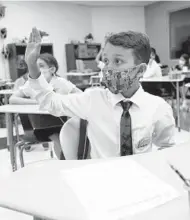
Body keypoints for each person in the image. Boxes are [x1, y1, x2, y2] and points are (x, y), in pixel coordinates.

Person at [26, 28, 175, 158]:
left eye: (117, 61)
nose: (108, 69)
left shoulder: (158, 108)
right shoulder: (93, 99)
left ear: (140, 70)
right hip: (101, 178)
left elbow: (167, 148)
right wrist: (32, 66)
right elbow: (52, 102)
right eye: (106, 61)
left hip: (142, 180)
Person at [9, 52, 82, 159]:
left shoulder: (60, 82)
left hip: (62, 122)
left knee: (67, 135)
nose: (37, 70)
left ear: (52, 70)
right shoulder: (30, 83)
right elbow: (12, 99)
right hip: (40, 126)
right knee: (58, 136)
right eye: (35, 66)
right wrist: (36, 102)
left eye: (41, 66)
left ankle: (68, 161)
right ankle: (65, 161)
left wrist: (65, 99)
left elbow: (80, 94)